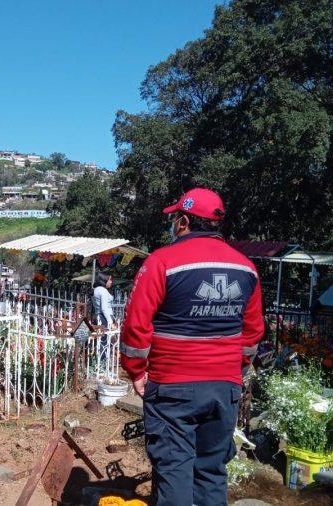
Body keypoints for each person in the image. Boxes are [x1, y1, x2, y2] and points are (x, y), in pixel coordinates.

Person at [119, 188, 264, 506]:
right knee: (212, 473)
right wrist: (232, 371)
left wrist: (137, 373)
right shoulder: (246, 268)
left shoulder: (162, 262)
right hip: (223, 390)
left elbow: (135, 326)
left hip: (173, 387)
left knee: (174, 473)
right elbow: (252, 334)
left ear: (184, 221)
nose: (173, 224)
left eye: (175, 219)